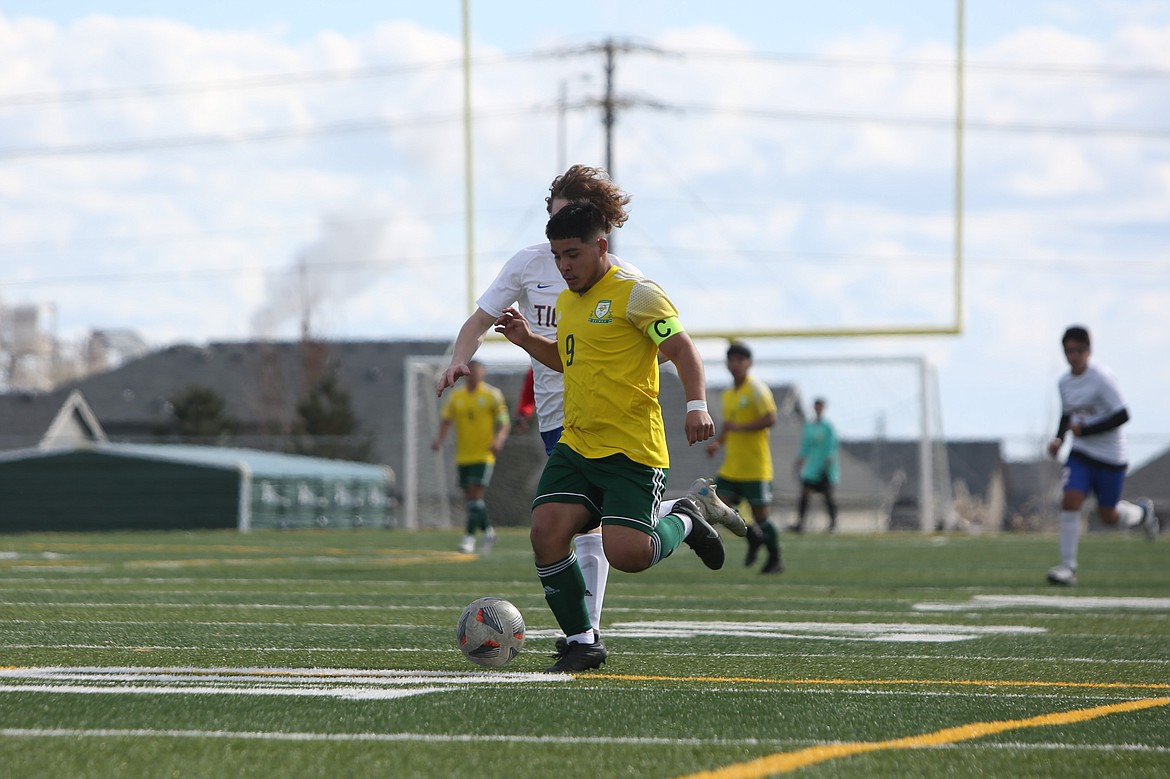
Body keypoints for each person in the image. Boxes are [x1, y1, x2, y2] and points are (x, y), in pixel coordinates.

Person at [437, 166, 735, 658]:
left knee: (627, 553)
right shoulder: (570, 301)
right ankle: (581, 642)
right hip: (575, 439)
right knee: (546, 531)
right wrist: (529, 339)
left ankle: (684, 515)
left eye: (572, 255)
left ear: (600, 245)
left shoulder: (637, 292)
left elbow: (682, 349)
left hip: (631, 447)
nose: (563, 267)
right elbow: (568, 360)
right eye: (557, 256)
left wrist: (696, 404)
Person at [1045, 325, 1158, 586]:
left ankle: (1143, 515)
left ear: (1088, 351)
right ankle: (1067, 568)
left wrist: (1086, 429)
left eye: (1078, 350)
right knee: (1070, 499)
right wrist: (1059, 439)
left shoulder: (1102, 378)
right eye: (1069, 351)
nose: (1073, 356)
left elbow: (1123, 415)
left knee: (1108, 516)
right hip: (1082, 454)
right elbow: (1067, 414)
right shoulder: (1064, 382)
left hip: (1111, 457)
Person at [704, 341, 784, 573]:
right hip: (732, 466)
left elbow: (770, 418)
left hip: (755, 467)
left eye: (740, 360)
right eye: (732, 360)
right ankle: (752, 538)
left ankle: (775, 559)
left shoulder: (757, 390)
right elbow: (730, 426)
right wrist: (718, 443)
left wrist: (739, 427)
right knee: (716, 508)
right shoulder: (729, 394)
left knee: (762, 518)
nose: (735, 364)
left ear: (749, 363)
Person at [431, 360, 510, 554]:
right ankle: (489, 532)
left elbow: (504, 422)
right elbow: (446, 420)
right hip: (463, 455)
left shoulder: (492, 395)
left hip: (484, 454)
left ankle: (468, 539)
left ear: (482, 373)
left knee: (475, 494)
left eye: (478, 371)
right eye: (471, 371)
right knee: (472, 499)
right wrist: (439, 440)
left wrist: (499, 439)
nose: (474, 375)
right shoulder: (456, 397)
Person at [789, 397, 840, 533]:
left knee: (827, 495)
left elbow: (832, 445)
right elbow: (806, 445)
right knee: (805, 493)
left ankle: (833, 523)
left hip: (825, 468)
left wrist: (829, 458)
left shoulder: (828, 427)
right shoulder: (809, 426)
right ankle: (800, 523)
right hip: (812, 467)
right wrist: (800, 459)